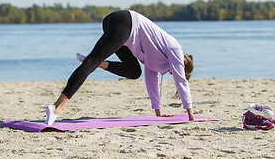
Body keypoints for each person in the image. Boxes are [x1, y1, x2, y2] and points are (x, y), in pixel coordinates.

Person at [45, 10, 195, 125]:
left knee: (135, 72)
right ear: (184, 62)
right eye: (176, 70)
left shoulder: (158, 60)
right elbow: (181, 81)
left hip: (121, 27)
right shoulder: (175, 49)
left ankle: (98, 62)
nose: (171, 72)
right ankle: (56, 108)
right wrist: (191, 116)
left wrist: (159, 114)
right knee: (90, 63)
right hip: (125, 22)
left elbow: (151, 81)